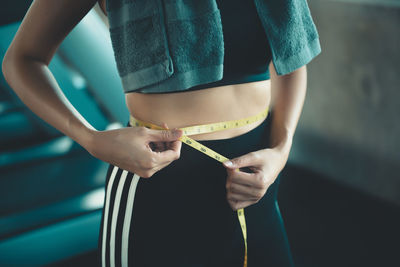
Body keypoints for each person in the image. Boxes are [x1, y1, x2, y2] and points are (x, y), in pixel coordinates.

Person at [2, 0, 321, 266]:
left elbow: (292, 60)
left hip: (256, 190)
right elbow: (21, 59)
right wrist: (90, 139)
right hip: (156, 191)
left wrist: (281, 150)